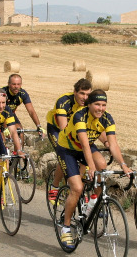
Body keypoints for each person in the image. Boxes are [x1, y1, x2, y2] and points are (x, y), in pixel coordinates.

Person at [56, 89, 132, 248]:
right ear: (89, 104)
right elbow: (84, 144)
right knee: (77, 188)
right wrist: (90, 166)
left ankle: (92, 203)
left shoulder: (107, 118)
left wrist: (124, 165)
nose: (100, 108)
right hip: (68, 149)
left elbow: (113, 145)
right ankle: (66, 227)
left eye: (104, 105)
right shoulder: (80, 115)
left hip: (86, 147)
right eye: (97, 104)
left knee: (102, 167)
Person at [46, 78, 107, 203]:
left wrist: (106, 142)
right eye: (82, 93)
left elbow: (95, 127)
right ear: (75, 92)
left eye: (88, 94)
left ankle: (81, 191)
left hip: (77, 132)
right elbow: (64, 129)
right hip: (58, 130)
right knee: (64, 153)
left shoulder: (90, 105)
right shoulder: (64, 102)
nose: (85, 97)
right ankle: (55, 186)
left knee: (87, 157)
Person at [1, 74, 45, 142]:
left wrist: (38, 126)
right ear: (8, 84)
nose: (16, 87)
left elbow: (31, 111)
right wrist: (5, 128)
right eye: (14, 84)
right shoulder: (2, 93)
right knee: (2, 136)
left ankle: (20, 151)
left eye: (18, 84)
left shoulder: (23, 94)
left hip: (10, 114)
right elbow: (0, 112)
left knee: (20, 131)